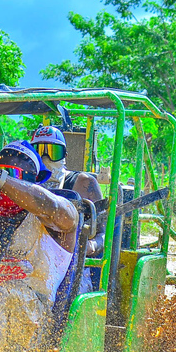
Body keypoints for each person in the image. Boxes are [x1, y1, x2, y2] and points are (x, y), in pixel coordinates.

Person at [0, 139, 78, 352]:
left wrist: (0, 179)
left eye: (13, 175)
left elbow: (51, 206)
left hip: (34, 317)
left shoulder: (57, 217)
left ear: (31, 181)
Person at [30, 125, 106, 293]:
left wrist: (90, 246)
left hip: (69, 264)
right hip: (30, 260)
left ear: (65, 155)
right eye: (39, 150)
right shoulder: (23, 182)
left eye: (53, 151)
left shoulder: (83, 183)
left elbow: (104, 234)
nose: (45, 157)